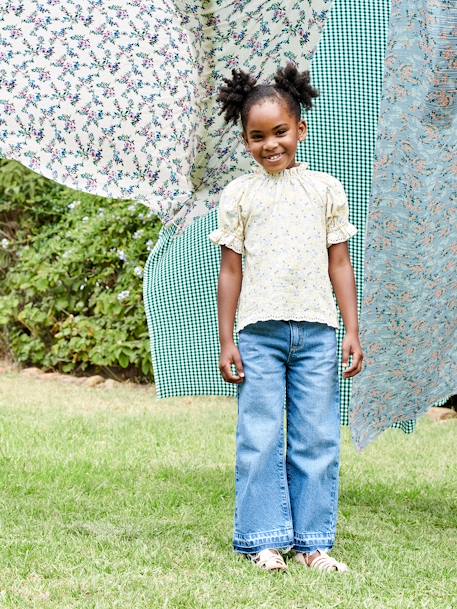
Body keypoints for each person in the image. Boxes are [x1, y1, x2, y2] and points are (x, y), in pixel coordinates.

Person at [209, 63, 364, 573]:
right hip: (258, 334)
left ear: (300, 128)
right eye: (257, 136)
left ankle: (314, 543)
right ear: (245, 139)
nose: (270, 144)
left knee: (316, 435)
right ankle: (263, 540)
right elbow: (231, 271)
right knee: (260, 435)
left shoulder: (325, 189)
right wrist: (227, 337)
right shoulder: (239, 195)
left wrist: (351, 330)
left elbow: (339, 264)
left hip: (319, 332)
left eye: (280, 132)